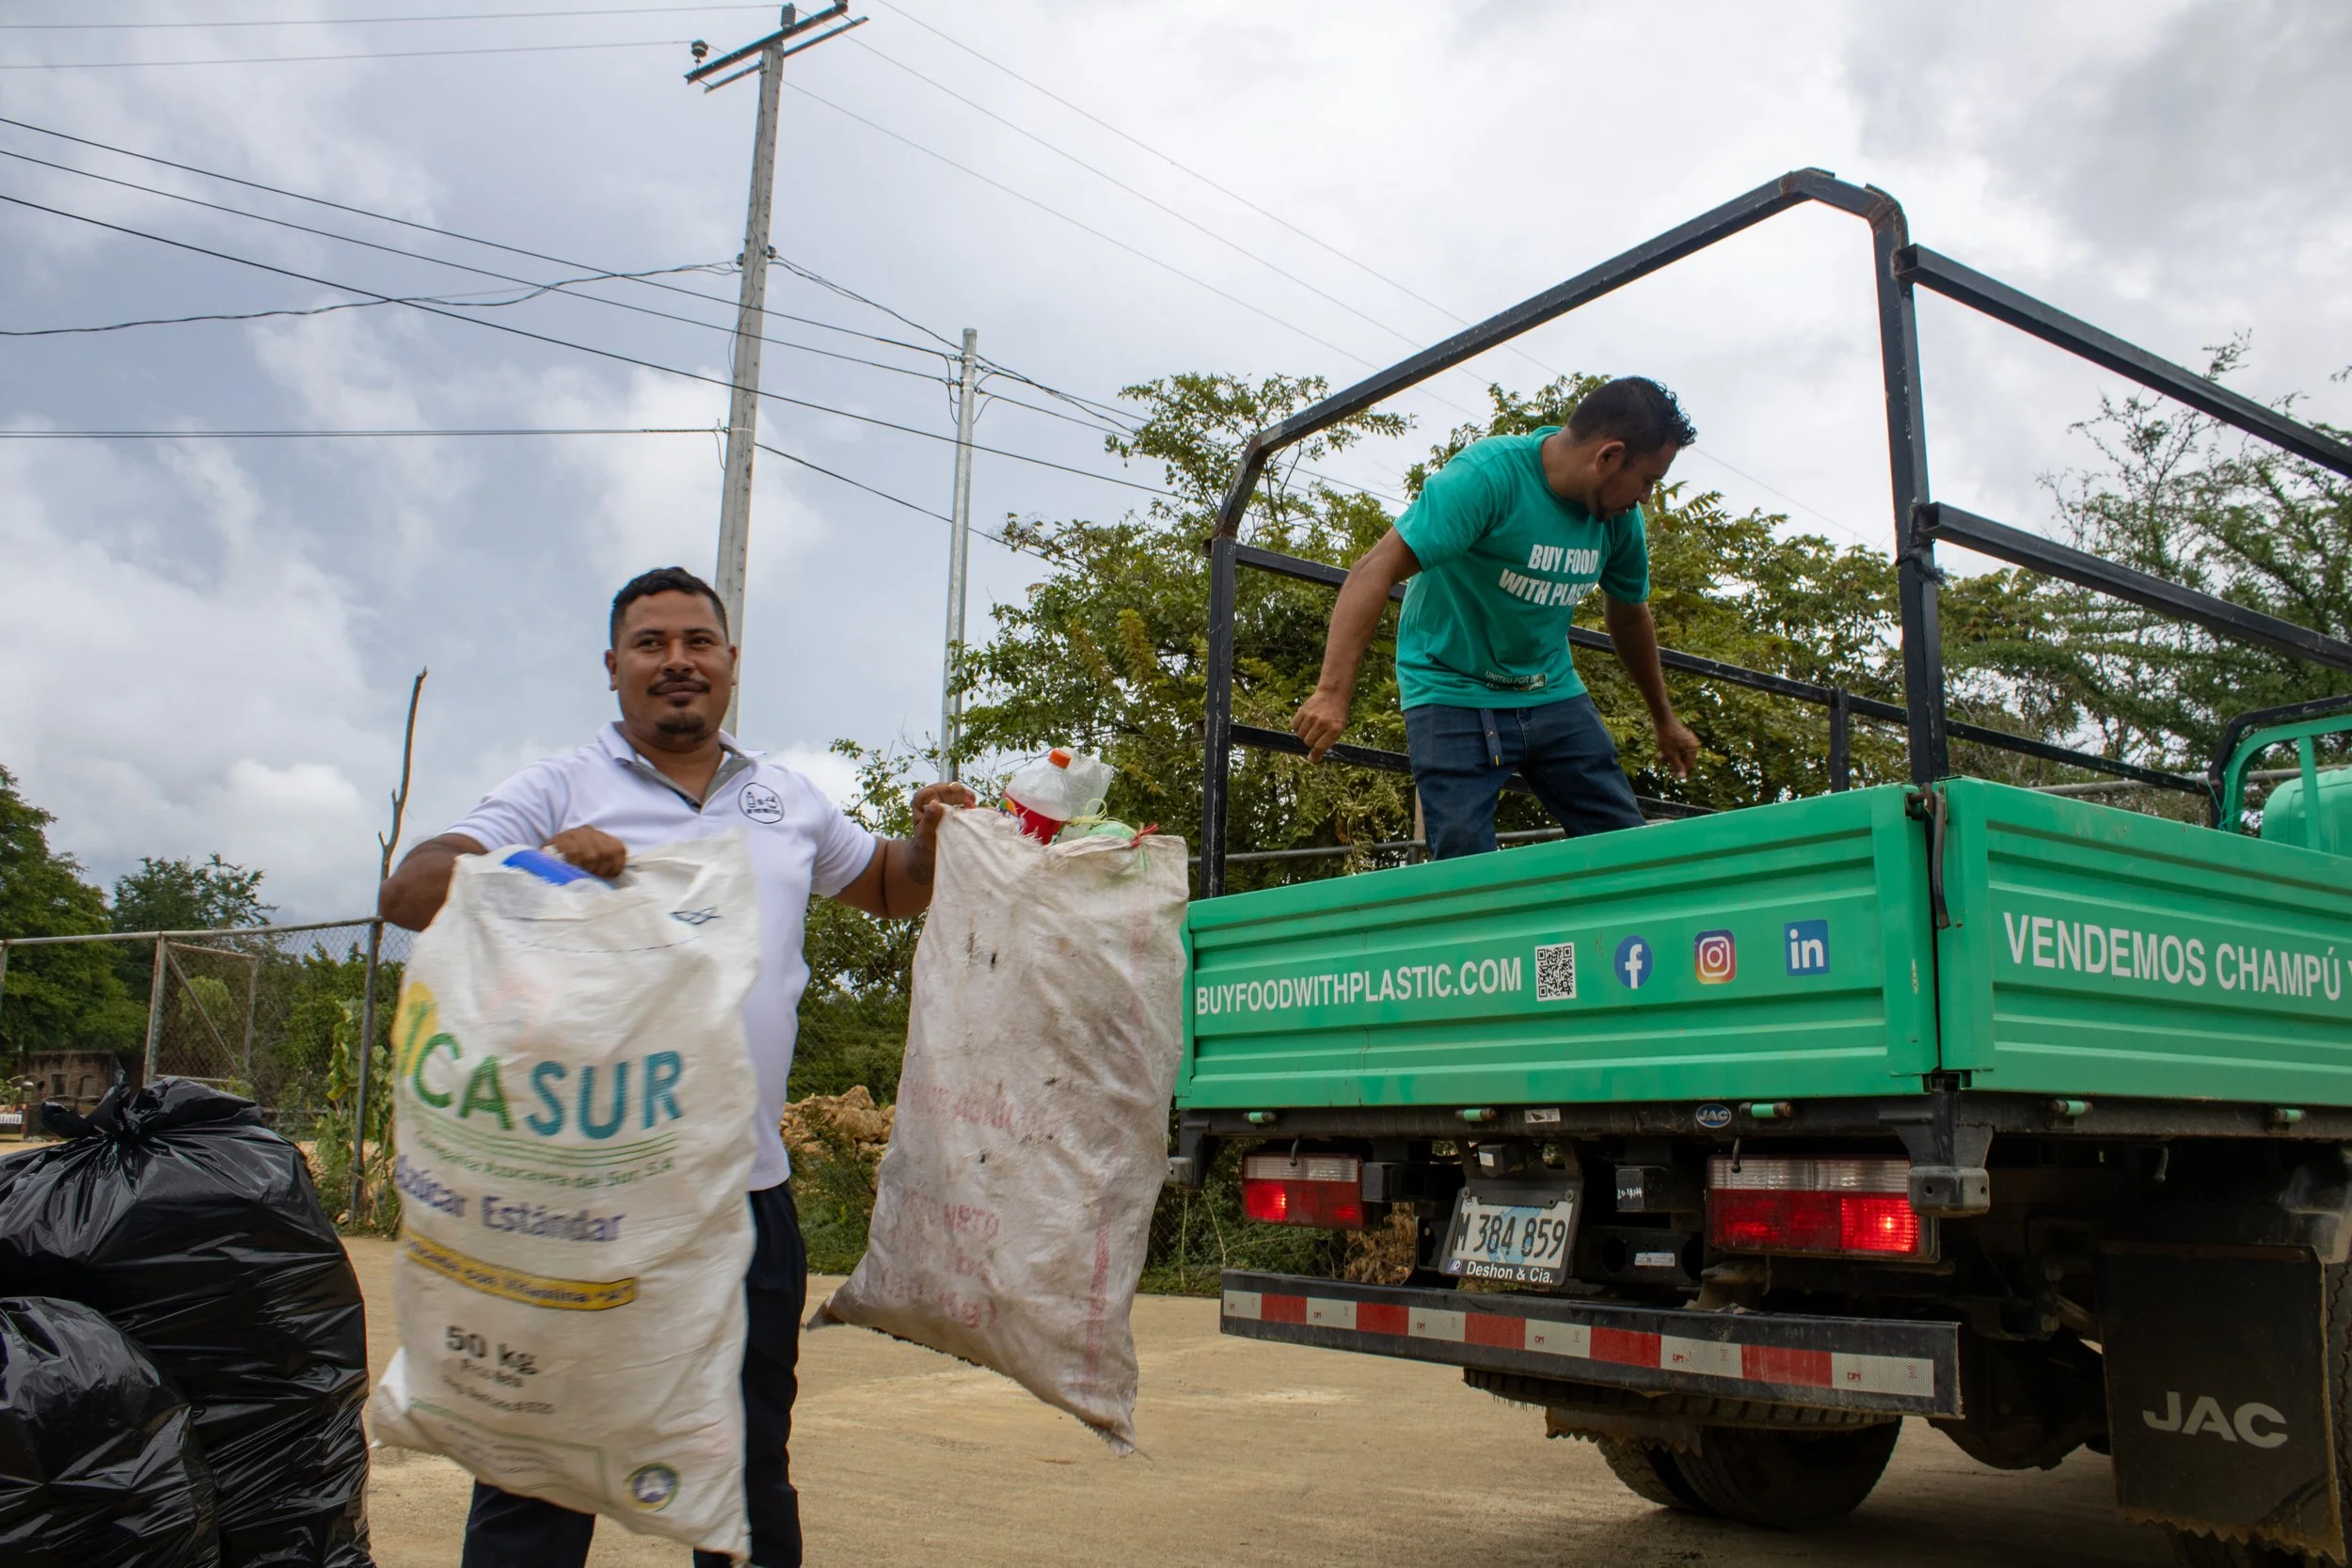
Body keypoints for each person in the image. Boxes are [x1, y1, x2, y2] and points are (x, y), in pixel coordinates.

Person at [378, 564, 973, 1568]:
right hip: (582, 1201)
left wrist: (924, 837)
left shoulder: (785, 796)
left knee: (746, 1468)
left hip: (744, 1197)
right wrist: (540, 865)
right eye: (650, 643)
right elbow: (412, 888)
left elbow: (885, 886)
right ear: (613, 668)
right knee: (537, 1469)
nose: (676, 661)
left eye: (696, 641)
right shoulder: (558, 787)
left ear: (730, 662)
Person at [1290, 376, 1704, 860]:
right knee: (1466, 861)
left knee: (1624, 844)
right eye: (1649, 480)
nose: (1647, 497)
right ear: (1608, 456)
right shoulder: (1487, 478)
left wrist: (1664, 720)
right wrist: (1331, 694)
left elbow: (1629, 616)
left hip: (1550, 689)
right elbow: (1372, 570)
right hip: (1451, 688)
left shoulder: (1617, 521)